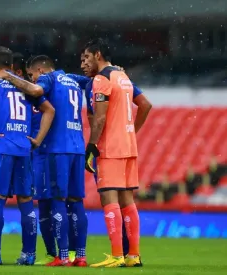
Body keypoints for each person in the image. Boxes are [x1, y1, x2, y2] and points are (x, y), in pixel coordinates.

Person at [0, 55, 88, 267]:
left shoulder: (49, 79)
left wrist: (7, 76)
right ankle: (80, 256)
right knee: (76, 201)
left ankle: (61, 256)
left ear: (41, 71)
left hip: (56, 147)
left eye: (33, 75)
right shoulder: (71, 79)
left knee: (56, 200)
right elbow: (93, 81)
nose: (32, 80)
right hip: (78, 147)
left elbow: (36, 91)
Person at [0, 46, 55, 265]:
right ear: (11, 66)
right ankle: (29, 254)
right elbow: (49, 110)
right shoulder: (24, 86)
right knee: (25, 201)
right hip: (23, 147)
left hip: (1, 146)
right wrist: (37, 140)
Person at [81, 38, 147, 268]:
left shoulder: (102, 79)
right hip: (129, 145)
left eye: (86, 57)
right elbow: (145, 105)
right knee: (127, 199)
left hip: (110, 147)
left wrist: (91, 146)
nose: (83, 63)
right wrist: (130, 131)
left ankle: (117, 254)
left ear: (98, 55)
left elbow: (99, 117)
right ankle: (133, 256)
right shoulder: (123, 76)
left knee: (108, 196)